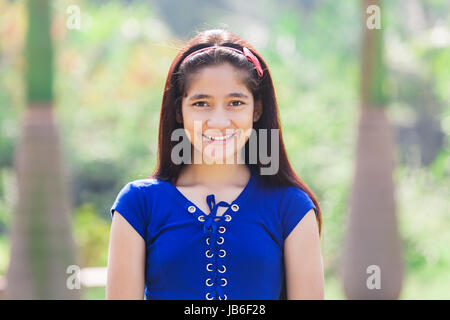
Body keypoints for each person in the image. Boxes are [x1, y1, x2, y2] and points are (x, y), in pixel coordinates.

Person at [106, 29, 324, 300]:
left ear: (255, 109)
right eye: (201, 103)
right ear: (178, 110)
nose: (219, 121)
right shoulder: (138, 204)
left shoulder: (291, 207)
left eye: (235, 103)